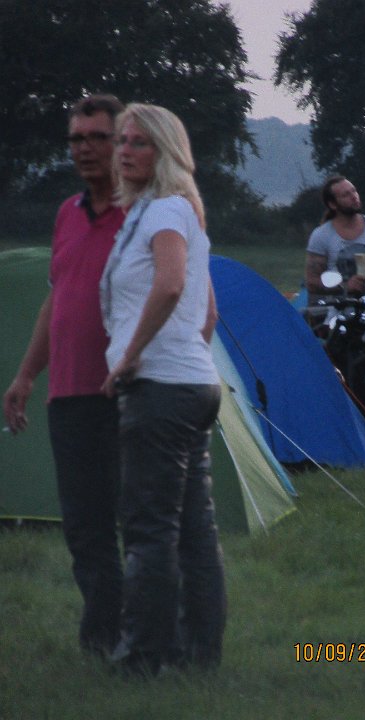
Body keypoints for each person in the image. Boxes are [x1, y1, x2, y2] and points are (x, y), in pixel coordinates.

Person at [99, 103, 225, 676]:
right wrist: (183, 357)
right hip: (192, 385)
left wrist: (131, 356)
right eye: (122, 141)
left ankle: (144, 657)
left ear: (165, 152)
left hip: (161, 390)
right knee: (194, 531)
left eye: (140, 143)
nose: (124, 151)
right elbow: (208, 312)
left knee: (150, 530)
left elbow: (172, 285)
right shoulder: (170, 212)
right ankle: (199, 656)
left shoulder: (166, 211)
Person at [2, 94, 125, 655]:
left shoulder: (142, 215)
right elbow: (58, 299)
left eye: (97, 137)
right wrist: (27, 375)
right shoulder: (67, 214)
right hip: (70, 394)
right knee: (84, 526)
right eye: (76, 138)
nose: (84, 148)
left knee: (142, 523)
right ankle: (103, 640)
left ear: (121, 142)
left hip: (127, 392)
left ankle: (150, 636)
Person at [305, 176, 365, 304]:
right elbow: (312, 283)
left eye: (354, 191)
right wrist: (345, 286)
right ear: (332, 204)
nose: (354, 196)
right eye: (346, 195)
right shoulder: (321, 235)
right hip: (339, 313)